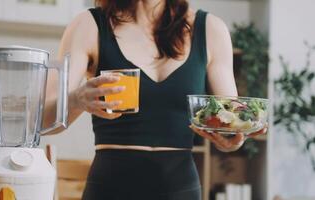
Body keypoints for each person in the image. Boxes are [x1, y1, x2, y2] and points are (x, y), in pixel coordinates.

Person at [44, 0, 267, 199]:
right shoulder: (89, 25)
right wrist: (76, 100)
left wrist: (233, 139)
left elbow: (230, 119)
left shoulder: (211, 30)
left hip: (181, 190)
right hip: (110, 188)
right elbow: (42, 122)